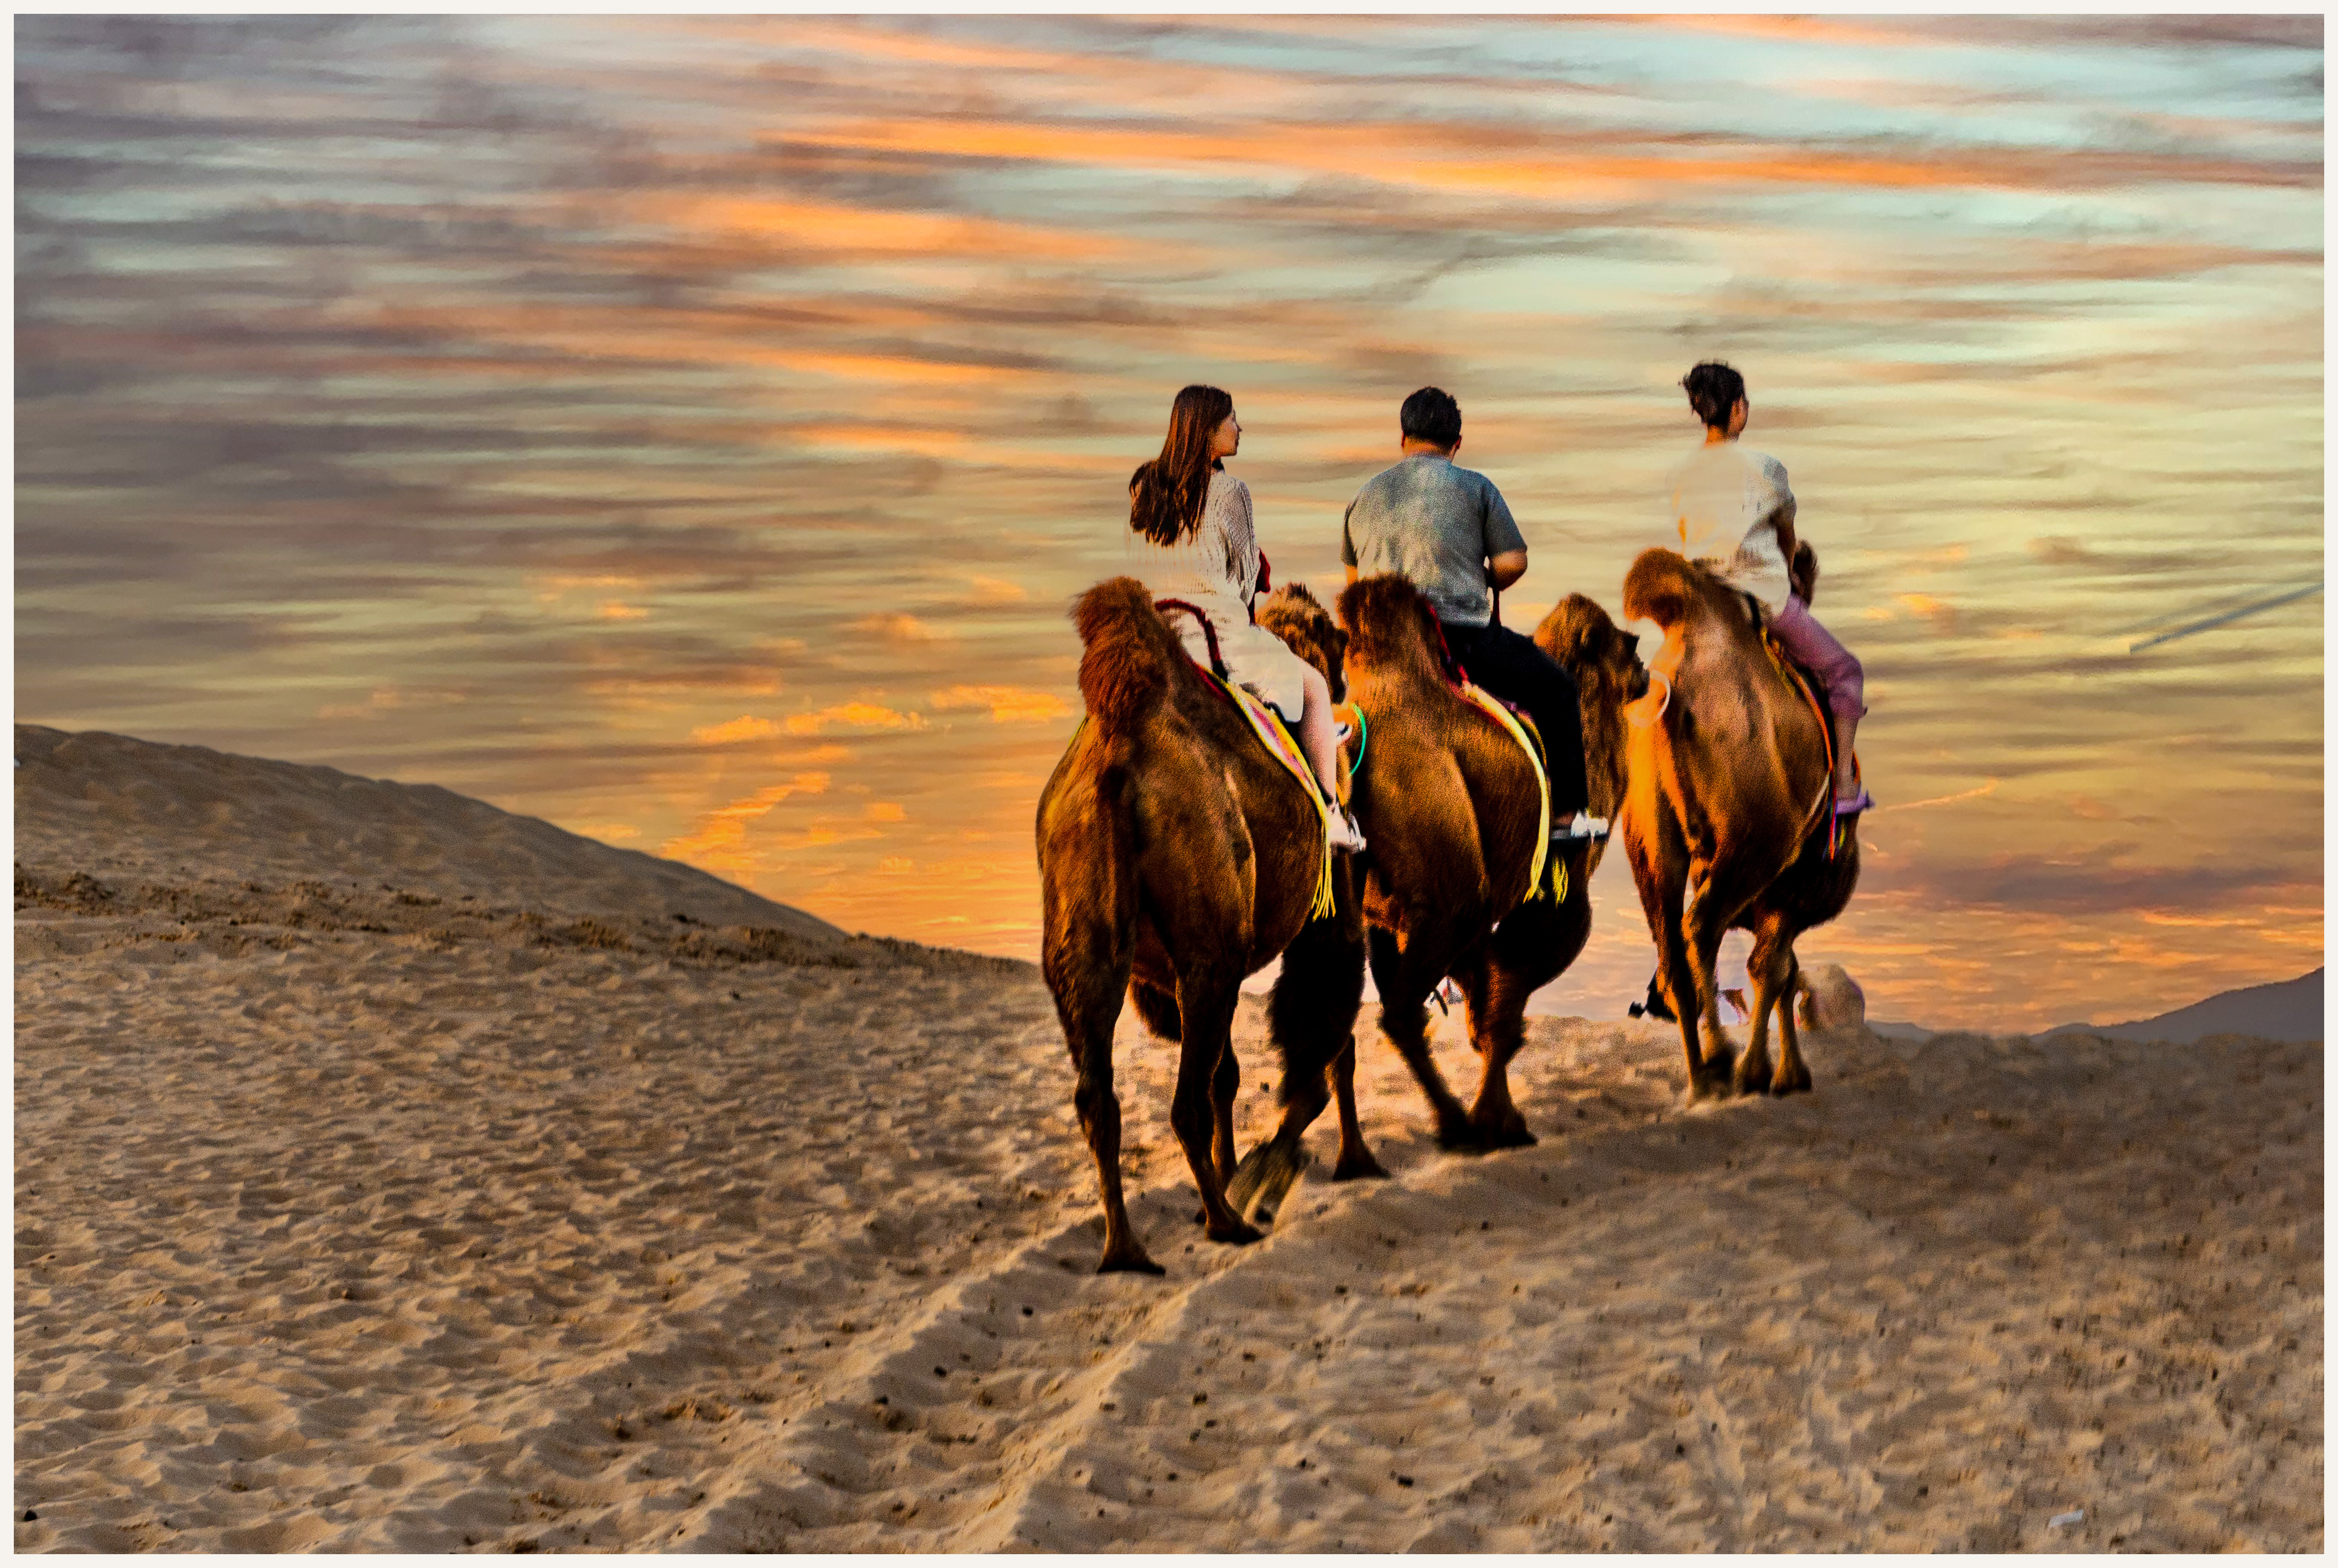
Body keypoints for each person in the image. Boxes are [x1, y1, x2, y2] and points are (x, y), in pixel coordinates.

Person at [1341, 386, 1605, 845]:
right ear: (1456, 443)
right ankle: (1567, 817)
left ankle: (1336, 807)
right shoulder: (1477, 487)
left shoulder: (1364, 497)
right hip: (1459, 641)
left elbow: (1353, 583)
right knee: (1559, 690)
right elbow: (1513, 562)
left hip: (1380, 652)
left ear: (1403, 439)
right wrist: (1480, 574)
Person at [1128, 384, 1367, 853]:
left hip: (1157, 636)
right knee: (1315, 688)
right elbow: (1243, 579)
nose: (1240, 429)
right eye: (1232, 420)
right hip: (1215, 637)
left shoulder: (1143, 484)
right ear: (1207, 430)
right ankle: (1332, 815)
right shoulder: (1231, 492)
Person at [1666, 362, 1870, 815]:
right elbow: (1786, 536)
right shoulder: (1766, 468)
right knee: (1846, 672)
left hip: (1703, 601)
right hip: (1760, 596)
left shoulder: (1681, 475)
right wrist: (1792, 570)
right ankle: (1843, 786)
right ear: (1738, 408)